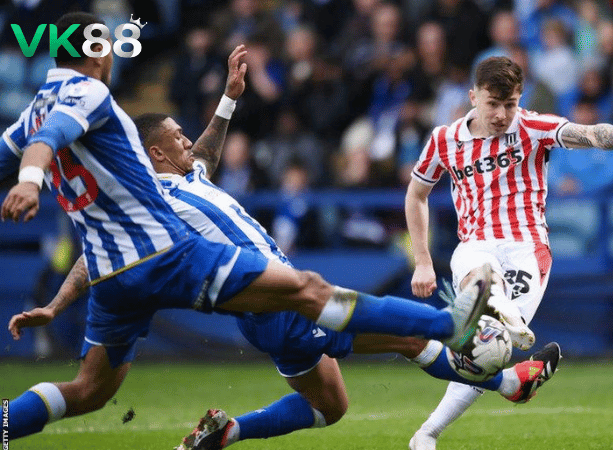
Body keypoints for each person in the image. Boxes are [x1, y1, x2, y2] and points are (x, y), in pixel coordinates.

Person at [0, 12, 490, 441]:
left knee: (87, 390)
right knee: (310, 290)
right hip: (166, 256)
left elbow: (44, 157)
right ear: (96, 51)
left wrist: (56, 304)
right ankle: (448, 324)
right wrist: (29, 180)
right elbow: (53, 136)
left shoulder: (32, 112)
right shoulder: (86, 92)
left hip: (114, 274)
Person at [9, 110, 561, 450]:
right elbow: (98, 252)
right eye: (176, 136)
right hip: (271, 300)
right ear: (155, 153)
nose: (187, 141)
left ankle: (229, 432)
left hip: (264, 305)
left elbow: (202, 154)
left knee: (330, 405)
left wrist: (229, 100)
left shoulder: (188, 176)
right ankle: (475, 348)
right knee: (401, 334)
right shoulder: (151, 198)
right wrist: (58, 300)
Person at [405, 56, 613, 450]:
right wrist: (422, 261)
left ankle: (426, 434)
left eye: (510, 104)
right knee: (478, 271)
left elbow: (587, 133)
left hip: (527, 251)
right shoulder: (444, 140)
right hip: (476, 244)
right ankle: (498, 306)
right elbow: (416, 195)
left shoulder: (532, 127)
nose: (502, 115)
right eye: (493, 104)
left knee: (488, 355)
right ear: (473, 97)